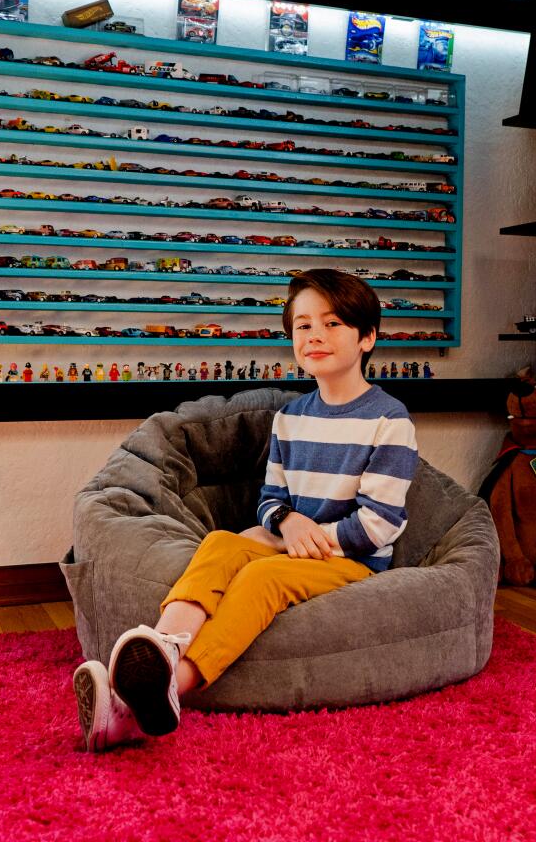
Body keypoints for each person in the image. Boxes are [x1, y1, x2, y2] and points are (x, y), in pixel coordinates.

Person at [72, 268, 419, 751]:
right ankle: (165, 646)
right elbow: (270, 500)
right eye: (303, 326)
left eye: (333, 323)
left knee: (261, 577)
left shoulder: (389, 420)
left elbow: (378, 523)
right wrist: (288, 523)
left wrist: (303, 541)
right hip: (294, 542)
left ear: (367, 338)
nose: (315, 335)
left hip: (353, 561)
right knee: (219, 542)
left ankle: (168, 688)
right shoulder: (290, 418)